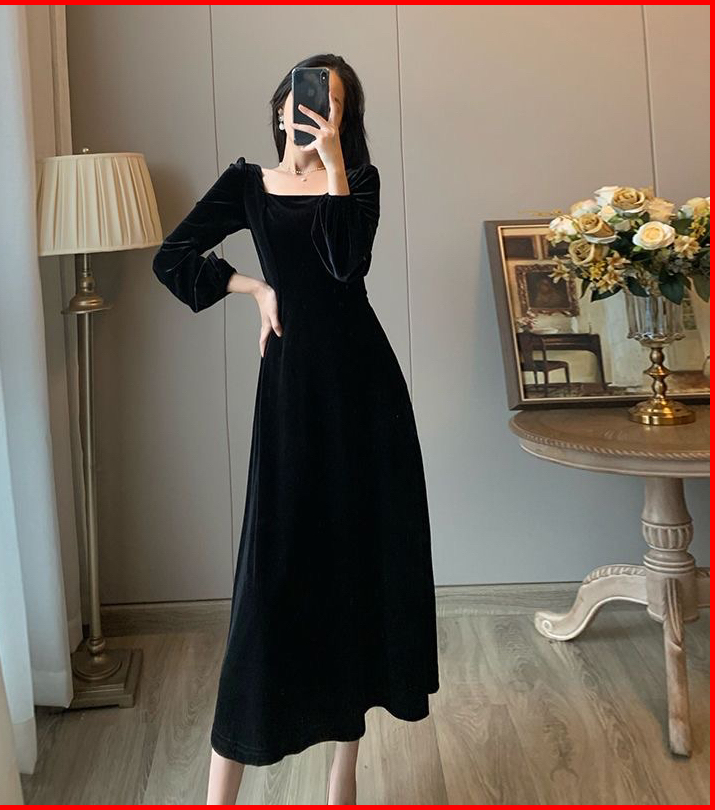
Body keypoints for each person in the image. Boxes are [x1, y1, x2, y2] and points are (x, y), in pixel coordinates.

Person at [152, 54, 439, 805]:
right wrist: (253, 288)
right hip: (291, 394)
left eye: (331, 103)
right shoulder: (248, 184)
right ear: (281, 106)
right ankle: (220, 796)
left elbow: (347, 265)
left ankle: (344, 774)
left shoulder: (360, 183)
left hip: (365, 394)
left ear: (345, 118)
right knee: (270, 581)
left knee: (356, 566)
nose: (314, 112)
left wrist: (336, 165)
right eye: (305, 98)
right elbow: (171, 257)